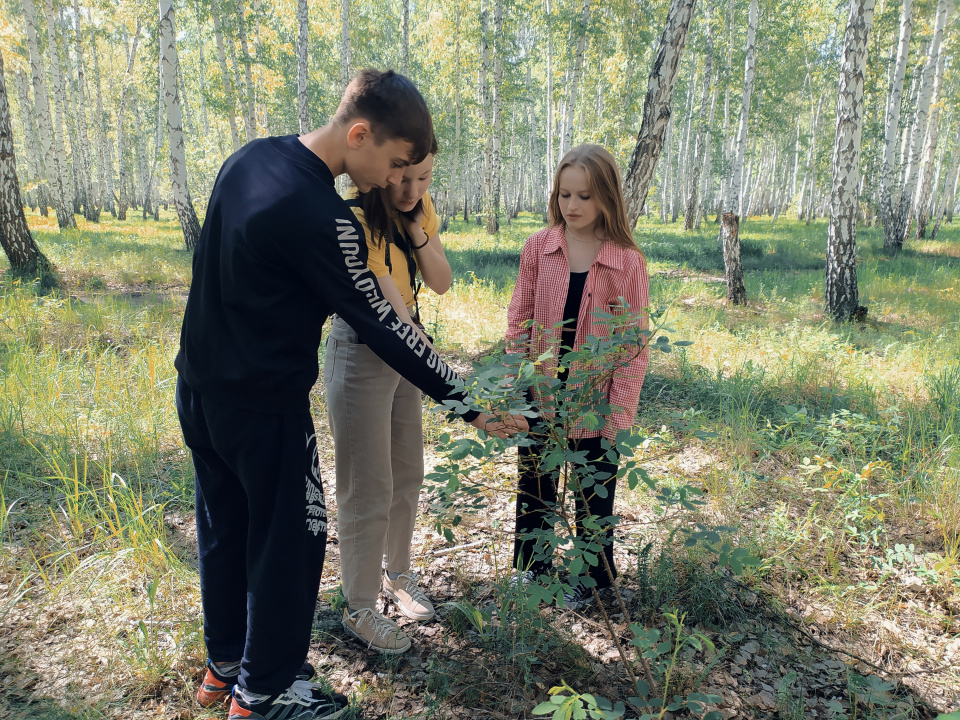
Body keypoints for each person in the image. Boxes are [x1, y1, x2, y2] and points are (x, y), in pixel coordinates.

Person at [176, 69, 524, 720]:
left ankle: (225, 669)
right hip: (265, 411)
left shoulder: (248, 159)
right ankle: (267, 693)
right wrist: (468, 401)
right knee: (292, 545)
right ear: (357, 133)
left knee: (225, 530)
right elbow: (385, 324)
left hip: (198, 392)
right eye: (392, 163)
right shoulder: (326, 218)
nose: (393, 181)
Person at [505, 144, 650, 611]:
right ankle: (531, 571)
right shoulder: (538, 248)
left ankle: (590, 581)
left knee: (594, 497)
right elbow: (520, 320)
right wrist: (519, 386)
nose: (572, 206)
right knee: (536, 488)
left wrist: (618, 418)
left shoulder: (627, 261)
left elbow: (633, 346)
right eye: (565, 194)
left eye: (585, 196)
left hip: (596, 404)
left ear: (606, 196)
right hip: (542, 397)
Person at [324, 134, 448, 654]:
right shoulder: (353, 218)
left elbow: (438, 281)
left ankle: (397, 576)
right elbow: (387, 301)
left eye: (425, 179)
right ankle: (359, 606)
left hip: (404, 353)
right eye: (404, 175)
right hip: (364, 350)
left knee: (408, 472)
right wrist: (431, 361)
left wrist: (418, 229)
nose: (412, 187)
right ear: (385, 166)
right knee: (367, 485)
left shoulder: (418, 211)